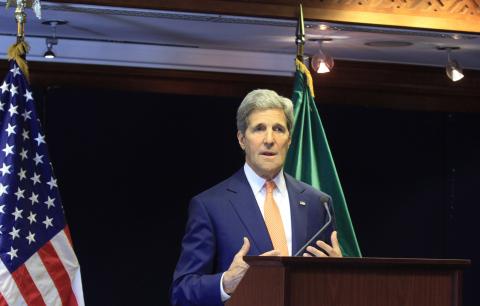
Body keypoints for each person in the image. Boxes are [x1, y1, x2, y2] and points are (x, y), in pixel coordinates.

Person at [171, 89, 342, 306]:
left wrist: (341, 274)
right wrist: (226, 283)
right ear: (242, 139)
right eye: (259, 129)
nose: (269, 139)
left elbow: (331, 288)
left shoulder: (319, 204)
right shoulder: (210, 205)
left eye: (278, 129)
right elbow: (181, 291)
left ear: (289, 140)